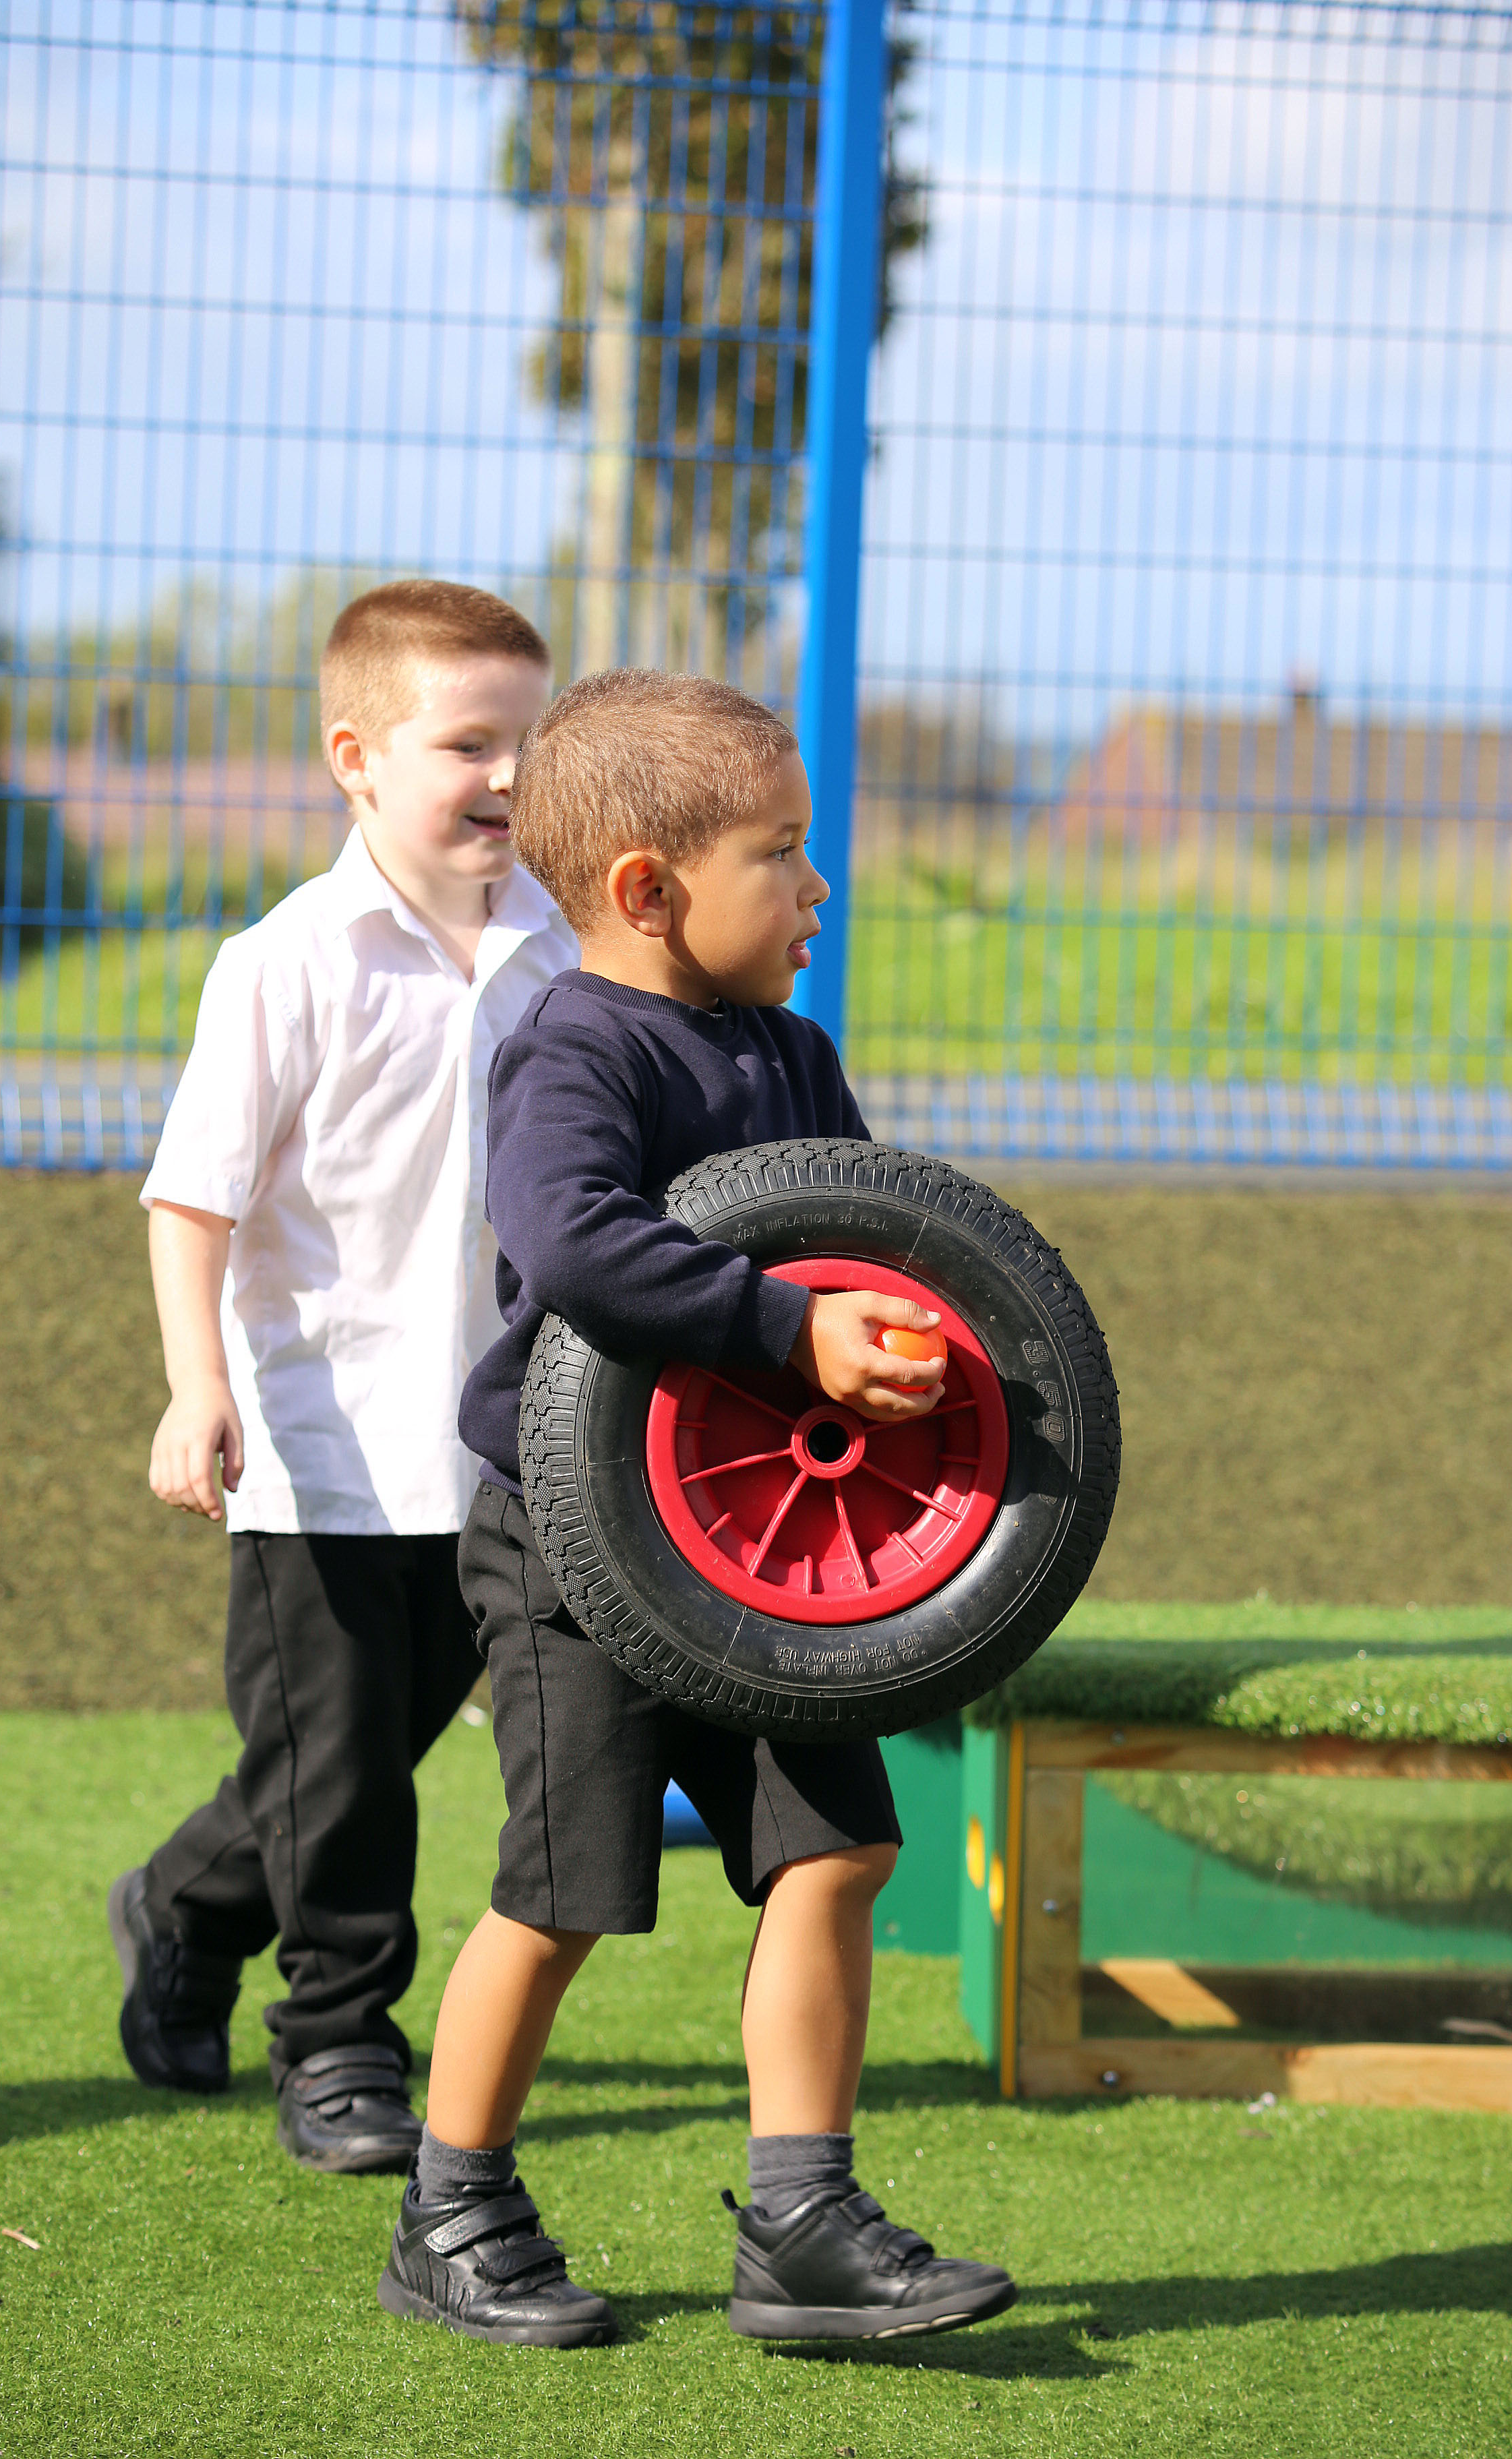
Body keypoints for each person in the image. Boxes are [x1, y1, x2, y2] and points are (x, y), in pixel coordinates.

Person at [376, 669, 1017, 2344]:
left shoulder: (792, 1054)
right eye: (782, 854)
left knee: (841, 1851)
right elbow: (576, 1241)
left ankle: (800, 2216)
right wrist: (785, 1331)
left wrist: (906, 1367)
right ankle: (452, 2208)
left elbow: (870, 1235)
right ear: (650, 890)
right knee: (563, 1887)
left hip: (768, 1567)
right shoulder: (570, 1049)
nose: (819, 890)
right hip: (575, 1549)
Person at [109, 580, 576, 2174]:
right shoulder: (286, 962)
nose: (509, 778)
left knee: (348, 1753)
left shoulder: (559, 950)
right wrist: (196, 1389)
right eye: (470, 745)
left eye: (530, 740)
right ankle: (338, 2045)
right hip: (318, 1443)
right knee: (346, 1772)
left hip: (496, 1441)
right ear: (355, 756)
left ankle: (179, 1906)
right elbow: (195, 1200)